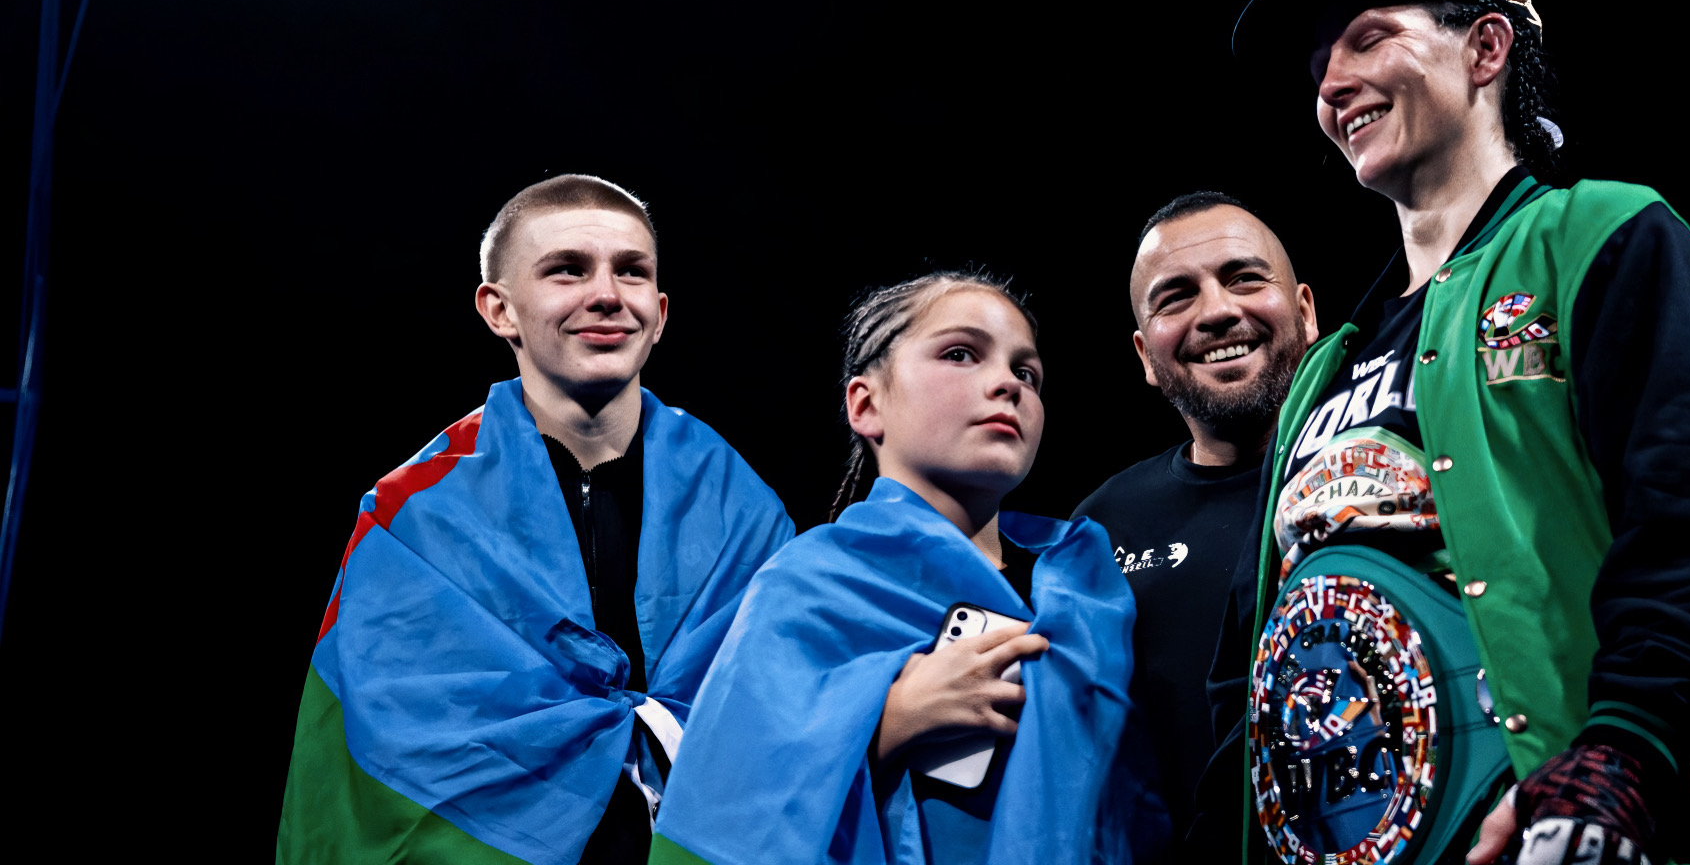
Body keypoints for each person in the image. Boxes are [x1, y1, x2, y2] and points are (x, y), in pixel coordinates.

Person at [1229, 0, 1690, 864]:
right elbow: (1239, 661)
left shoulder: (1602, 234)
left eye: (1370, 37)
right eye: (1321, 62)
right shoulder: (1323, 368)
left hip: (1572, 829)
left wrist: (1623, 757)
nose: (1331, 84)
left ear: (1486, 47)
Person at [275, 175, 795, 864]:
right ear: (500, 310)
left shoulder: (742, 505)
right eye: (567, 270)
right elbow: (391, 755)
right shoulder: (414, 514)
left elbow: (787, 718)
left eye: (632, 272)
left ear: (660, 312)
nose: (607, 294)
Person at [653, 270, 1151, 864]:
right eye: (961, 354)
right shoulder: (808, 582)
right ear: (866, 404)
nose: (1006, 384)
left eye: (1027, 373)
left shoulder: (1089, 583)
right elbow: (720, 807)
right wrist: (885, 723)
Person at [1073, 191, 1316, 863]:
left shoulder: (1392, 472)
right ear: (1145, 355)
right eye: (1175, 297)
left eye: (1243, 278)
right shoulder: (1098, 529)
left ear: (1305, 312)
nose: (1216, 312)